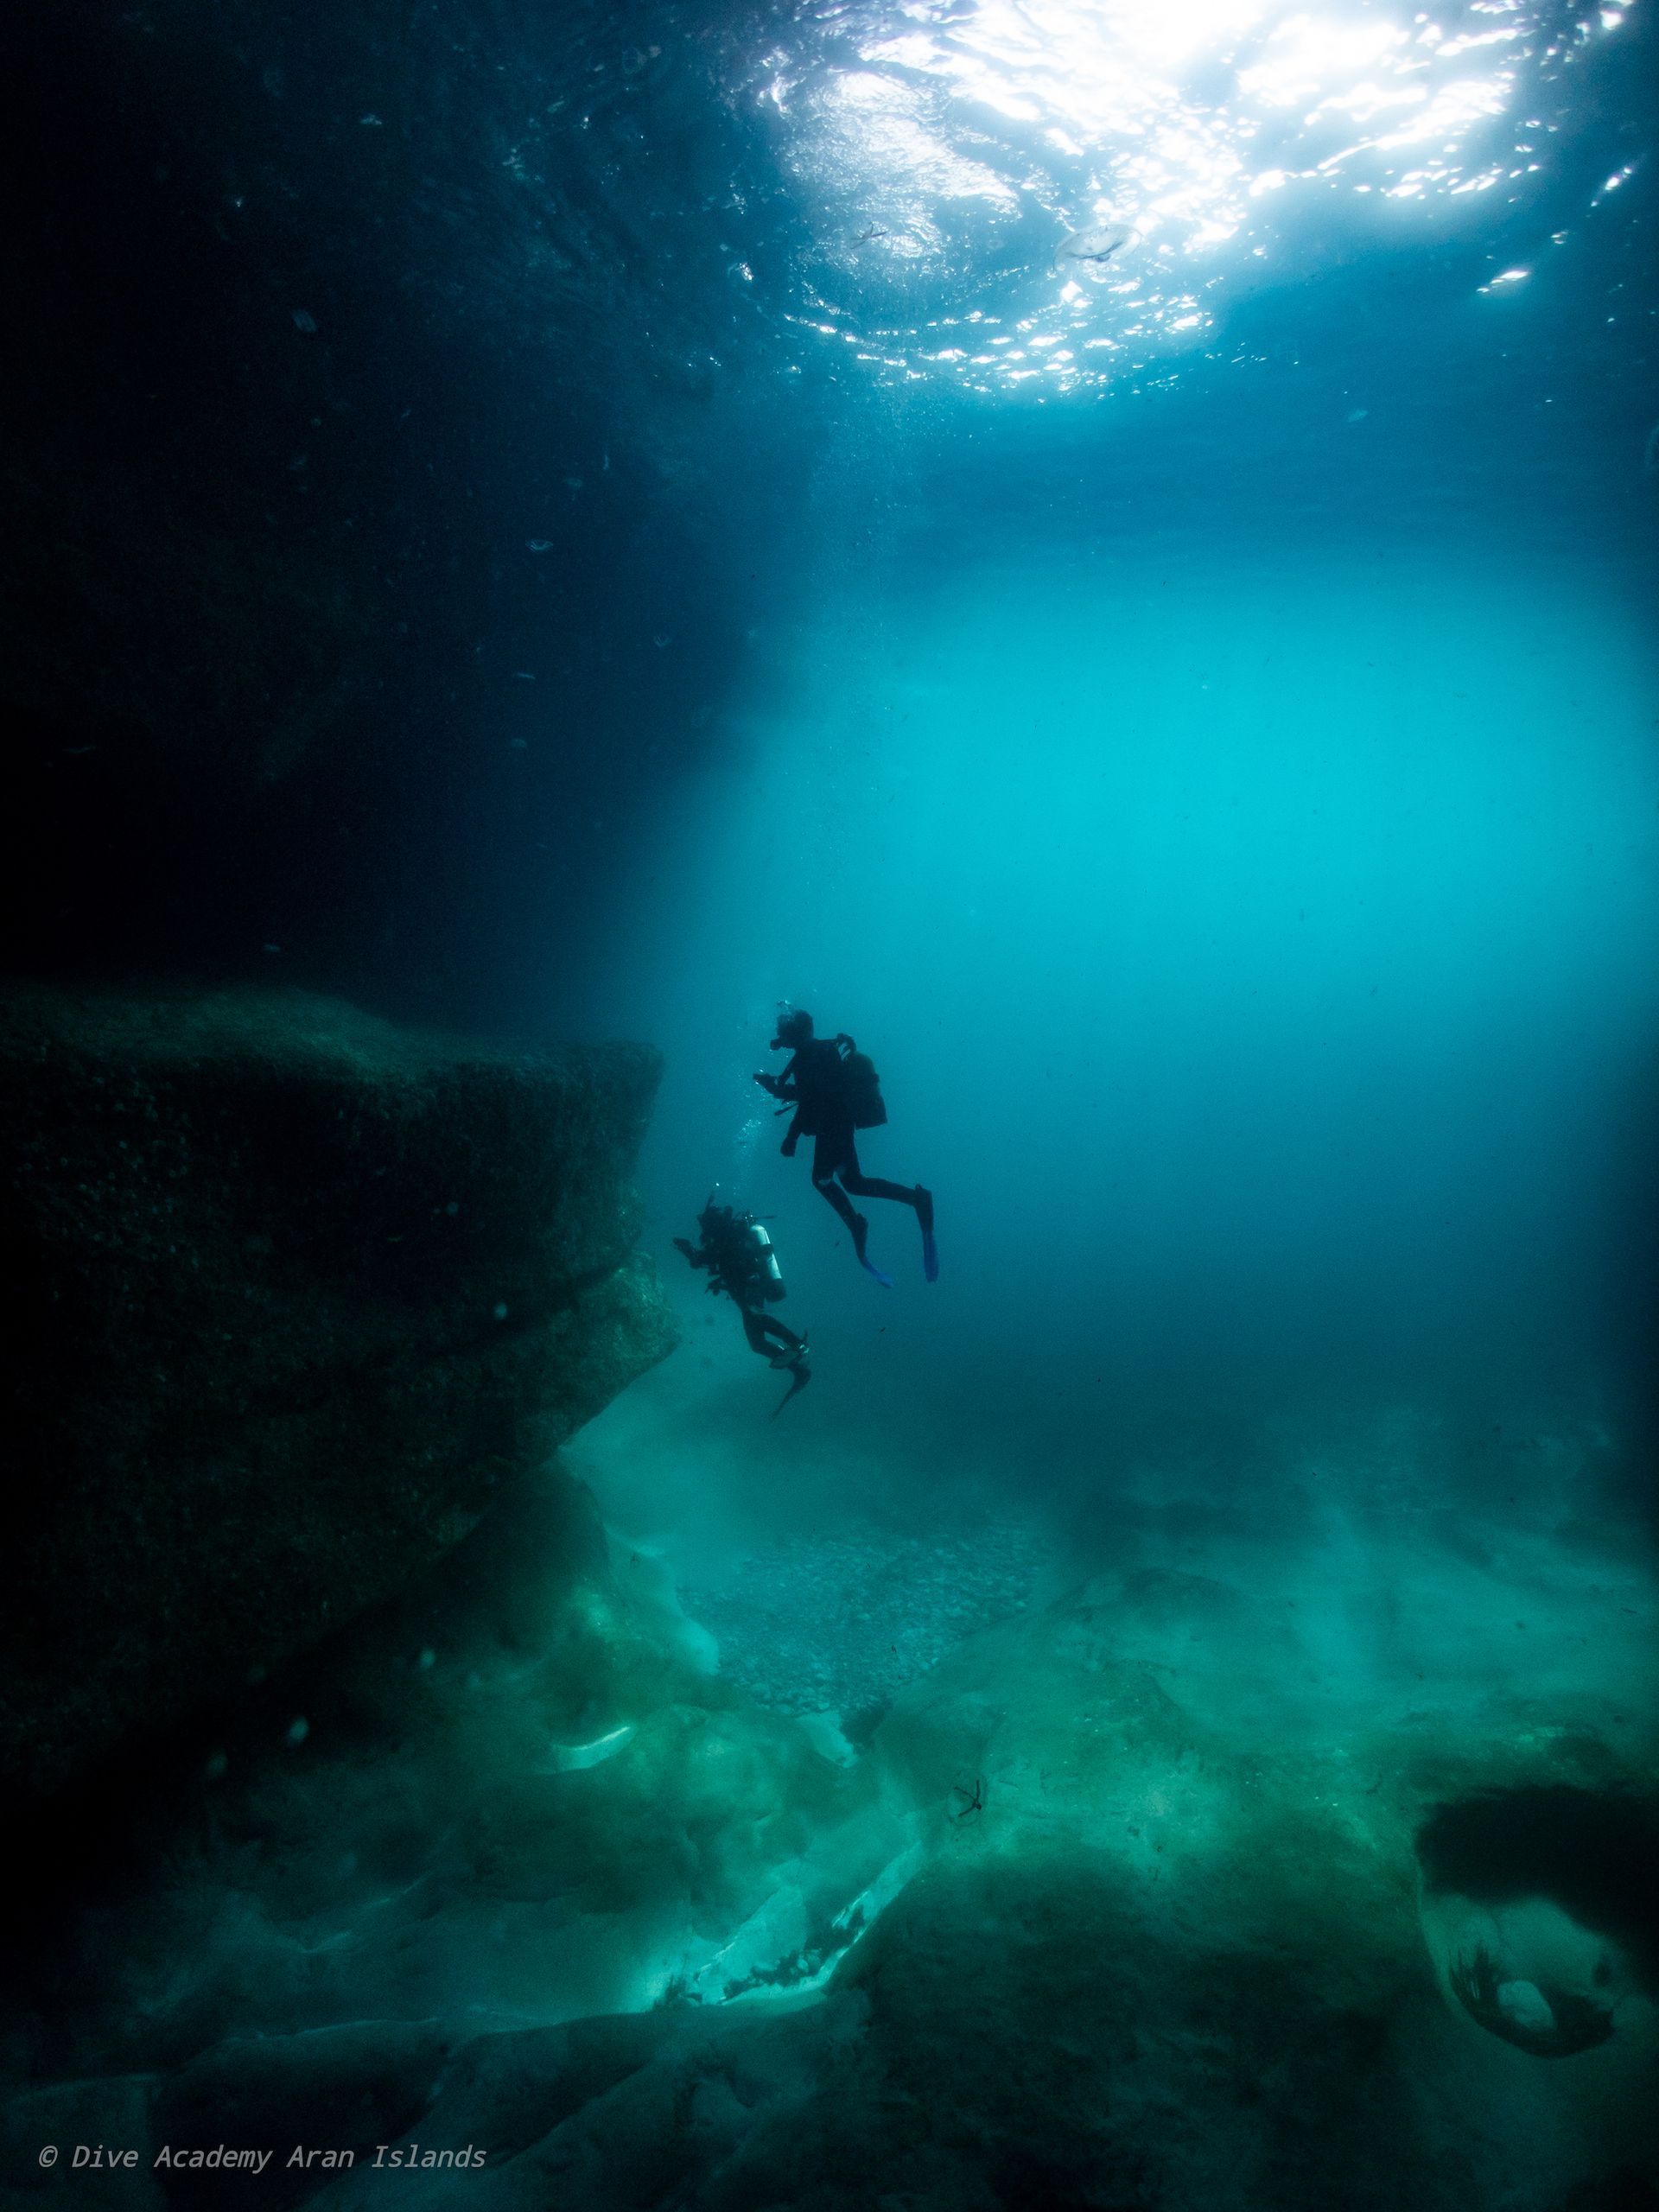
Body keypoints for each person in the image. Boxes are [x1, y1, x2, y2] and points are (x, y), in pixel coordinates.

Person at [755, 1007, 937, 1286]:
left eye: (785, 1034)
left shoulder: (810, 1056)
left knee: (822, 1179)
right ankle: (914, 1199)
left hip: (833, 1126)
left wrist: (790, 1133)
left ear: (795, 1034)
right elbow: (810, 1097)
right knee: (854, 1183)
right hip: (839, 1124)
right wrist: (777, 1091)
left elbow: (808, 1099)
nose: (782, 1039)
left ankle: (857, 1223)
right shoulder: (816, 1053)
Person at [675, 1198, 811, 1414]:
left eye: (705, 1226)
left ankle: (797, 1344)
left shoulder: (726, 1237)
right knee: (756, 1344)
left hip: (750, 1286)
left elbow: (704, 1260)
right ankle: (798, 1369)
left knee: (757, 1317)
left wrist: (688, 1251)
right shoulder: (724, 1237)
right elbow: (711, 1260)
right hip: (744, 1290)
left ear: (712, 1224)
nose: (704, 1231)